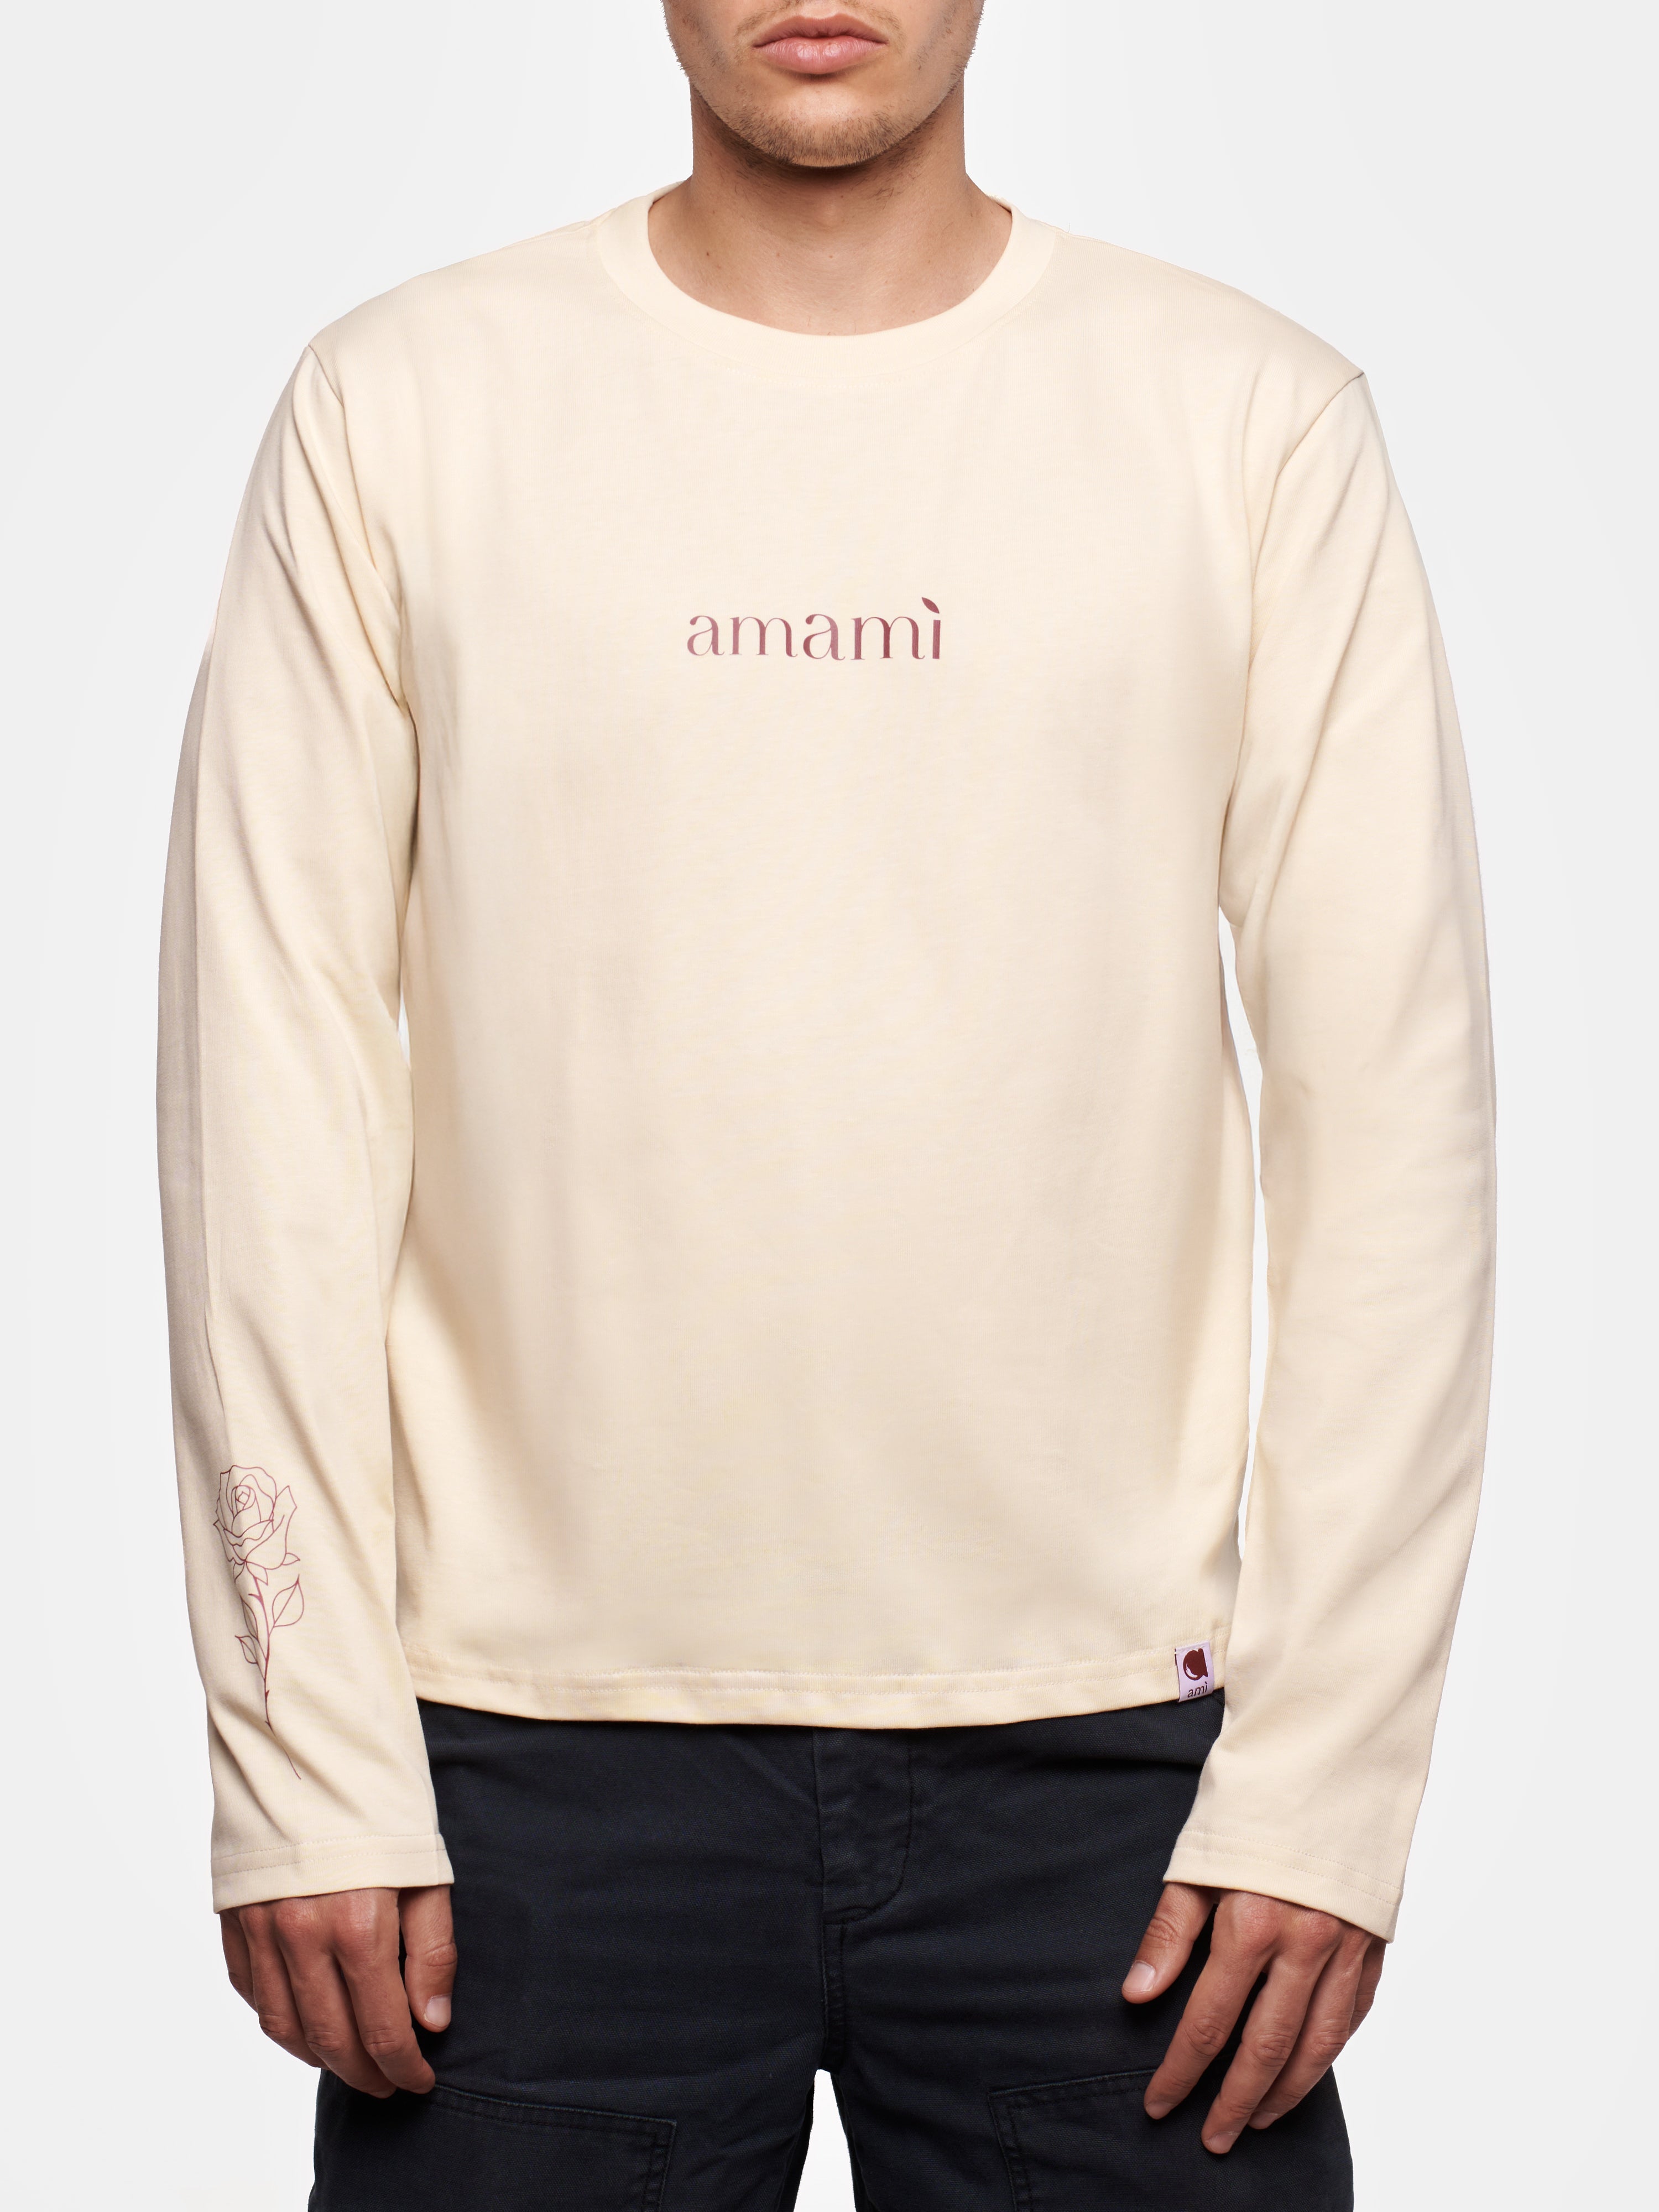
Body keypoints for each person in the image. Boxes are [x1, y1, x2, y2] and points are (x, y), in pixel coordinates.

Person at [156, 4, 1495, 2205]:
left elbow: (1397, 1133)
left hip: (1121, 1784)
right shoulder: (404, 408)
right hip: (526, 1774)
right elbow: (266, 1103)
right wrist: (302, 1759)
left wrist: (1329, 1780)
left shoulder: (1244, 419)